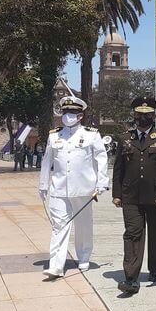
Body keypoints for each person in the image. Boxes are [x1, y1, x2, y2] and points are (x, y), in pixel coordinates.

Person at [111, 96, 156, 294]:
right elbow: (118, 169)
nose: (143, 117)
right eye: (140, 114)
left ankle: (155, 269)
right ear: (134, 115)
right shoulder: (125, 138)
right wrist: (117, 194)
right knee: (133, 233)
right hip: (130, 196)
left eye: (147, 114)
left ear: (153, 115)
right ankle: (131, 278)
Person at [38, 96, 108, 278]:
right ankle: (56, 265)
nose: (68, 116)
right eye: (66, 112)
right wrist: (43, 184)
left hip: (84, 189)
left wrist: (102, 182)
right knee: (59, 226)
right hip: (59, 189)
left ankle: (84, 256)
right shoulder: (54, 135)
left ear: (80, 115)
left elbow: (101, 158)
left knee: (83, 225)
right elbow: (47, 161)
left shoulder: (91, 135)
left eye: (72, 113)